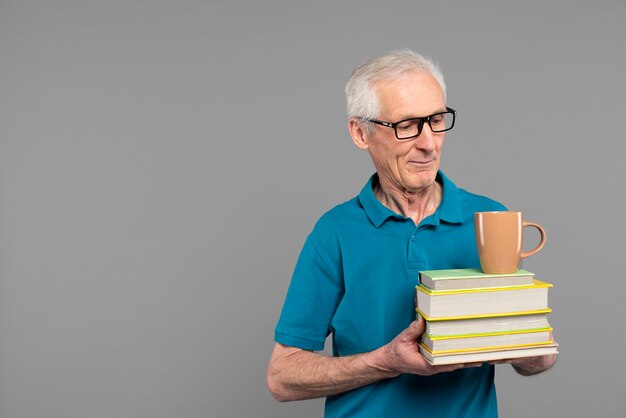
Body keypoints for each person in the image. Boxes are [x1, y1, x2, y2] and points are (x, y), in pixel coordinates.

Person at [266, 49, 557, 417]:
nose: (429, 143)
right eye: (406, 126)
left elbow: (535, 356)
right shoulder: (334, 233)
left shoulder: (491, 219)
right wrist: (386, 360)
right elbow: (282, 376)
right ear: (361, 133)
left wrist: (533, 348)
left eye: (437, 120)